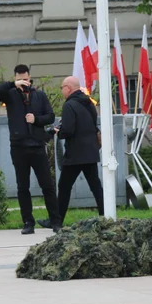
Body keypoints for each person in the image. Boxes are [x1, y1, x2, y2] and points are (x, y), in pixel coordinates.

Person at [0, 65, 60, 234]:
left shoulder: (39, 95)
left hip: (37, 146)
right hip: (19, 147)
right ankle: (28, 222)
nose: (24, 83)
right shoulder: (11, 94)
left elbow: (50, 116)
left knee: (47, 185)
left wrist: (36, 119)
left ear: (30, 78)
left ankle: (56, 221)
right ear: (16, 78)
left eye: (26, 79)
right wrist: (13, 85)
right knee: (22, 186)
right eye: (21, 79)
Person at [55, 76, 104, 219]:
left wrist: (59, 132)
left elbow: (68, 130)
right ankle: (105, 215)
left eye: (62, 87)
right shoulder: (89, 103)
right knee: (96, 186)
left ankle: (57, 220)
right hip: (91, 152)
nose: (61, 90)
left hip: (75, 155)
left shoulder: (69, 105)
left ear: (68, 88)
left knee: (64, 186)